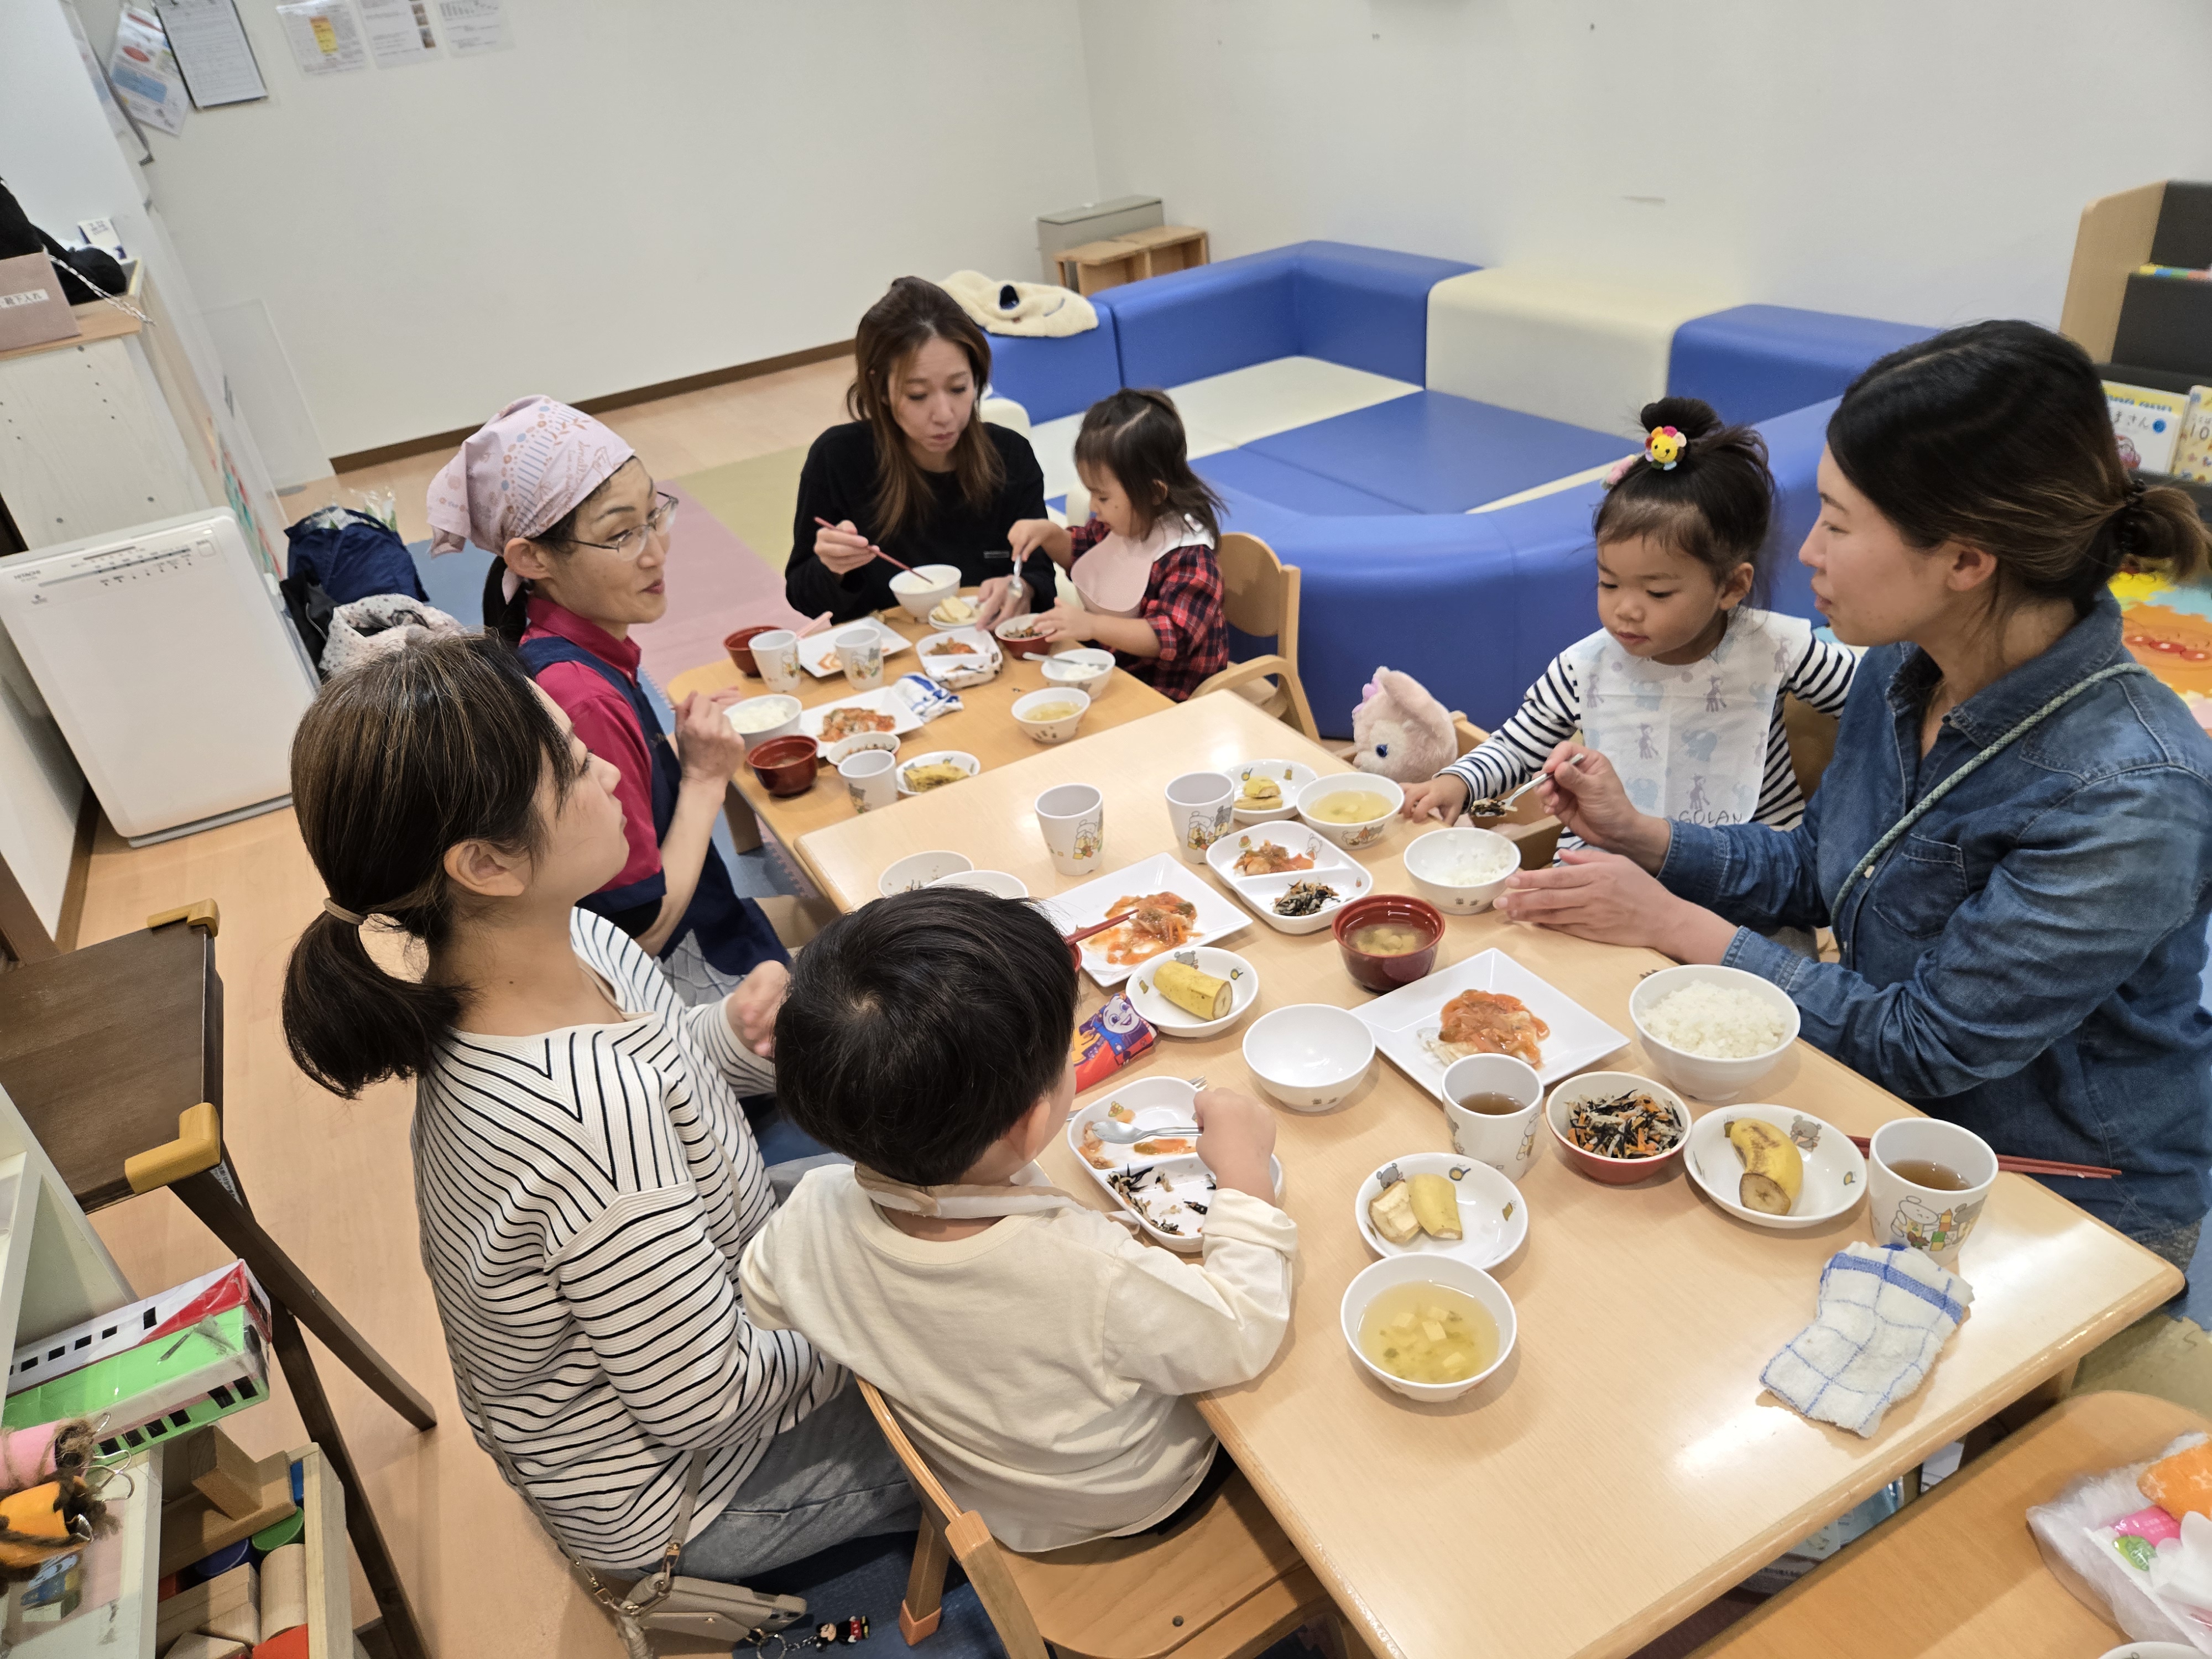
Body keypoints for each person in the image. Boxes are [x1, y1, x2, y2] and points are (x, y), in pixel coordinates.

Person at [1497, 321, 2212, 1265]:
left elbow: (1924, 1040)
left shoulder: (2132, 792)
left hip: (2058, 1190)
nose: (1812, 556)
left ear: (1965, 560)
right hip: (1878, 1112)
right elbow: (1819, 865)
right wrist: (1644, 836)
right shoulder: (1901, 668)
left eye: (1837, 522)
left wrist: (1673, 922)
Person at [279, 637, 915, 1585]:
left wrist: (731, 1040)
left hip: (719, 1273)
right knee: (1002, 1392)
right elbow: (707, 1401)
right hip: (693, 1491)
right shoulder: (580, 1117)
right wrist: (897, 1314)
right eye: (573, 768)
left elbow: (667, 1068)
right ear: (487, 864)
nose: (614, 772)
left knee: (903, 1179)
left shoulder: (562, 936)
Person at [739, 886, 1297, 1553]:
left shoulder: (808, 1209)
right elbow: (1242, 1334)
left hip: (985, 1493)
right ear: (1035, 1119)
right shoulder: (1087, 1271)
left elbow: (764, 1293)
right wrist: (1244, 1173)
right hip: (1130, 1499)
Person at [430, 395, 788, 1007]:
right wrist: (702, 780)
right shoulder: (577, 692)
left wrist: (669, 753)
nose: (656, 552)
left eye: (655, 515)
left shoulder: (555, 640)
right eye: (621, 534)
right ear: (531, 557)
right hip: (673, 991)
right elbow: (640, 929)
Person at [1402, 397, 1858, 838]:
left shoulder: (1777, 647)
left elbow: (1875, 693)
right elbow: (1517, 745)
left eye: (1657, 592)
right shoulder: (1583, 668)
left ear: (1732, 587)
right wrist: (1456, 783)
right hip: (1614, 851)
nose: (1625, 609)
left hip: (1747, 862)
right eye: (1609, 583)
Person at [788, 278, 1056, 627]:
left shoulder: (1009, 456)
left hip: (986, 652)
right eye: (918, 395)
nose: (945, 415)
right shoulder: (839, 458)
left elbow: (1038, 574)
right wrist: (832, 569)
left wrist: (1022, 591)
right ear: (880, 388)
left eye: (959, 388)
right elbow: (803, 595)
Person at [1007, 388, 1232, 701]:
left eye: (1102, 496)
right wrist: (1048, 533)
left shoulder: (1190, 559)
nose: (1094, 507)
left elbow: (1169, 636)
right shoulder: (1119, 523)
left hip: (1172, 695)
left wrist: (1092, 626)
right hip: (1117, 675)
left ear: (1154, 493)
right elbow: (1083, 556)